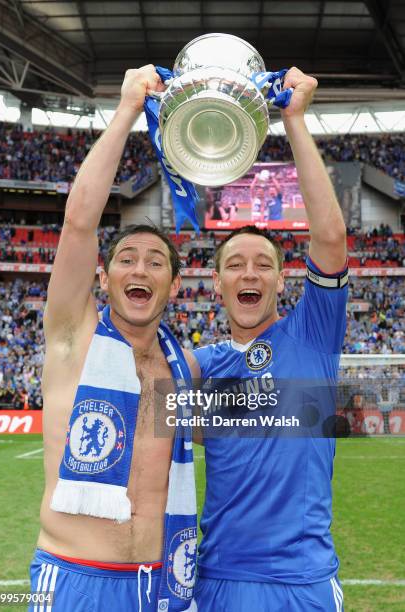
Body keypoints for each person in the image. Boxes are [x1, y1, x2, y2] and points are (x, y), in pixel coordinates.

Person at [29, 66, 198, 612]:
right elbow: (78, 224)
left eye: (155, 263)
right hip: (75, 579)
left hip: (164, 586)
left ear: (173, 285)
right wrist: (128, 109)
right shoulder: (72, 340)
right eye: (126, 260)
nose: (139, 271)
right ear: (104, 279)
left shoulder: (184, 369)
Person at [192, 67, 348, 610]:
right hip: (217, 579)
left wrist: (295, 120)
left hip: (301, 583)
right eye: (235, 265)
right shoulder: (199, 367)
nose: (250, 274)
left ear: (284, 279)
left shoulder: (313, 335)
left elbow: (330, 238)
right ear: (216, 283)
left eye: (264, 264)